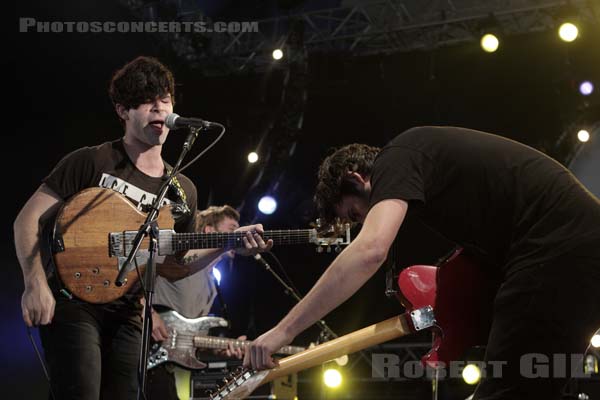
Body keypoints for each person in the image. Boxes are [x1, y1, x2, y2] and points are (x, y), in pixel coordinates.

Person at [244, 126, 600, 399]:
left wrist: (283, 331)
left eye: (357, 213)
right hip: (577, 252)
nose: (364, 221)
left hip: (557, 249)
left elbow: (370, 251)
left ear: (357, 178)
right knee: (535, 385)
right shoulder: (438, 176)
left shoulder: (396, 157)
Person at [14, 56, 270, 400]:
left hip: (130, 312)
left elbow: (175, 268)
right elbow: (27, 219)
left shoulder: (183, 190)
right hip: (73, 302)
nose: (159, 109)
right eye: (148, 102)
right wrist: (35, 284)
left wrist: (225, 244)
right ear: (123, 110)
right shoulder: (92, 161)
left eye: (165, 100)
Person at [147, 205, 254, 400]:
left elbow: (192, 334)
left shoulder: (213, 283)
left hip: (163, 366)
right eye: (231, 230)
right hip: (141, 347)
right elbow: (138, 276)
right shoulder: (181, 260)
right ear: (209, 231)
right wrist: (149, 314)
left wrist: (219, 347)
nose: (237, 235)